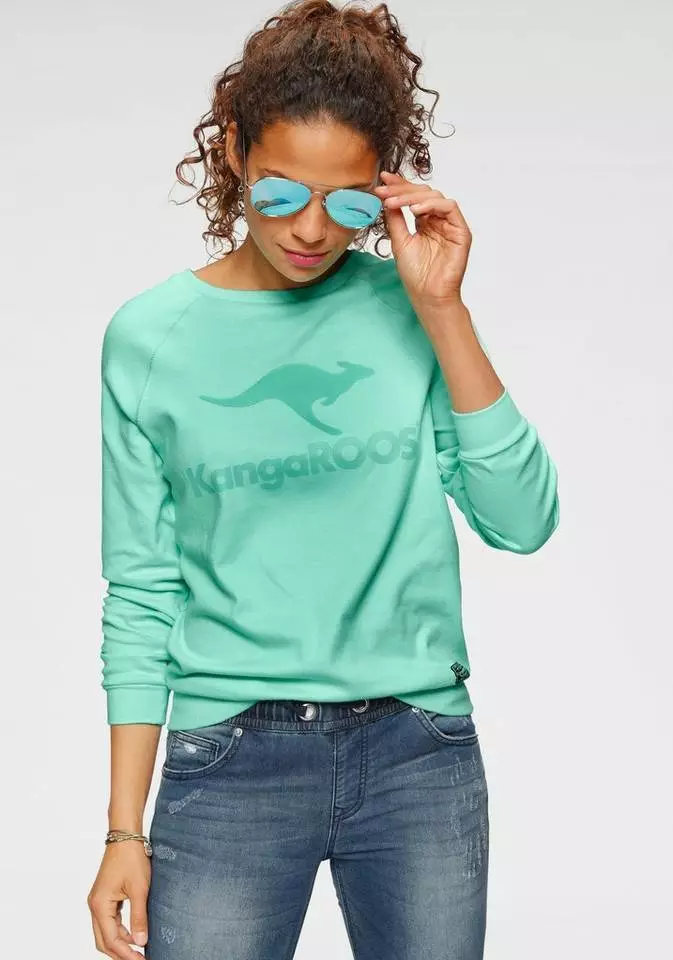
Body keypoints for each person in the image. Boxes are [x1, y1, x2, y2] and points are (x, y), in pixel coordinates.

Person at [87, 2, 560, 958]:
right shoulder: (149, 339)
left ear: (384, 188)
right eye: (280, 194)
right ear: (233, 152)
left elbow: (521, 520)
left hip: (417, 751)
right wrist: (122, 831)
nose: (309, 230)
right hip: (230, 756)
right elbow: (141, 589)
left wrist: (444, 311)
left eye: (345, 205)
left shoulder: (408, 311)